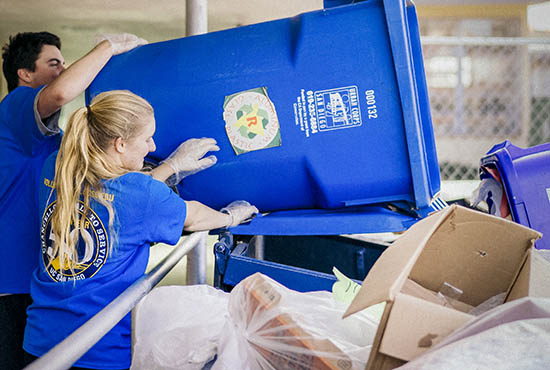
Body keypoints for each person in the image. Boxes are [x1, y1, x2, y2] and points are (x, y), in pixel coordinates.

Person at [22, 90, 258, 370]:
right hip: (97, 349)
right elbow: (191, 217)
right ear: (120, 144)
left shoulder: (58, 166)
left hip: (39, 341)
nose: (152, 145)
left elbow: (114, 196)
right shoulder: (140, 195)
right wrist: (230, 217)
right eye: (146, 138)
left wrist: (170, 167)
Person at [0, 31, 147, 369]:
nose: (63, 69)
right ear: (25, 74)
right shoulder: (16, 105)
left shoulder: (50, 139)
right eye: (54, 64)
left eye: (64, 63)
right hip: (12, 284)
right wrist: (107, 48)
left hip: (33, 282)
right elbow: (62, 92)